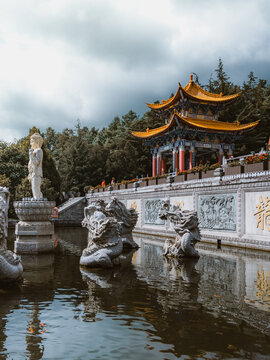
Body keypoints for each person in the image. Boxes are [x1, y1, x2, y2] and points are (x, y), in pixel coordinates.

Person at [28, 133, 43, 199]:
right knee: (34, 188)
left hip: (37, 172)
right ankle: (37, 198)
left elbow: (37, 162)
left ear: (37, 141)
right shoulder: (34, 151)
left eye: (32, 142)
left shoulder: (39, 150)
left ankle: (37, 199)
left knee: (35, 187)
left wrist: (31, 155)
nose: (30, 144)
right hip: (33, 173)